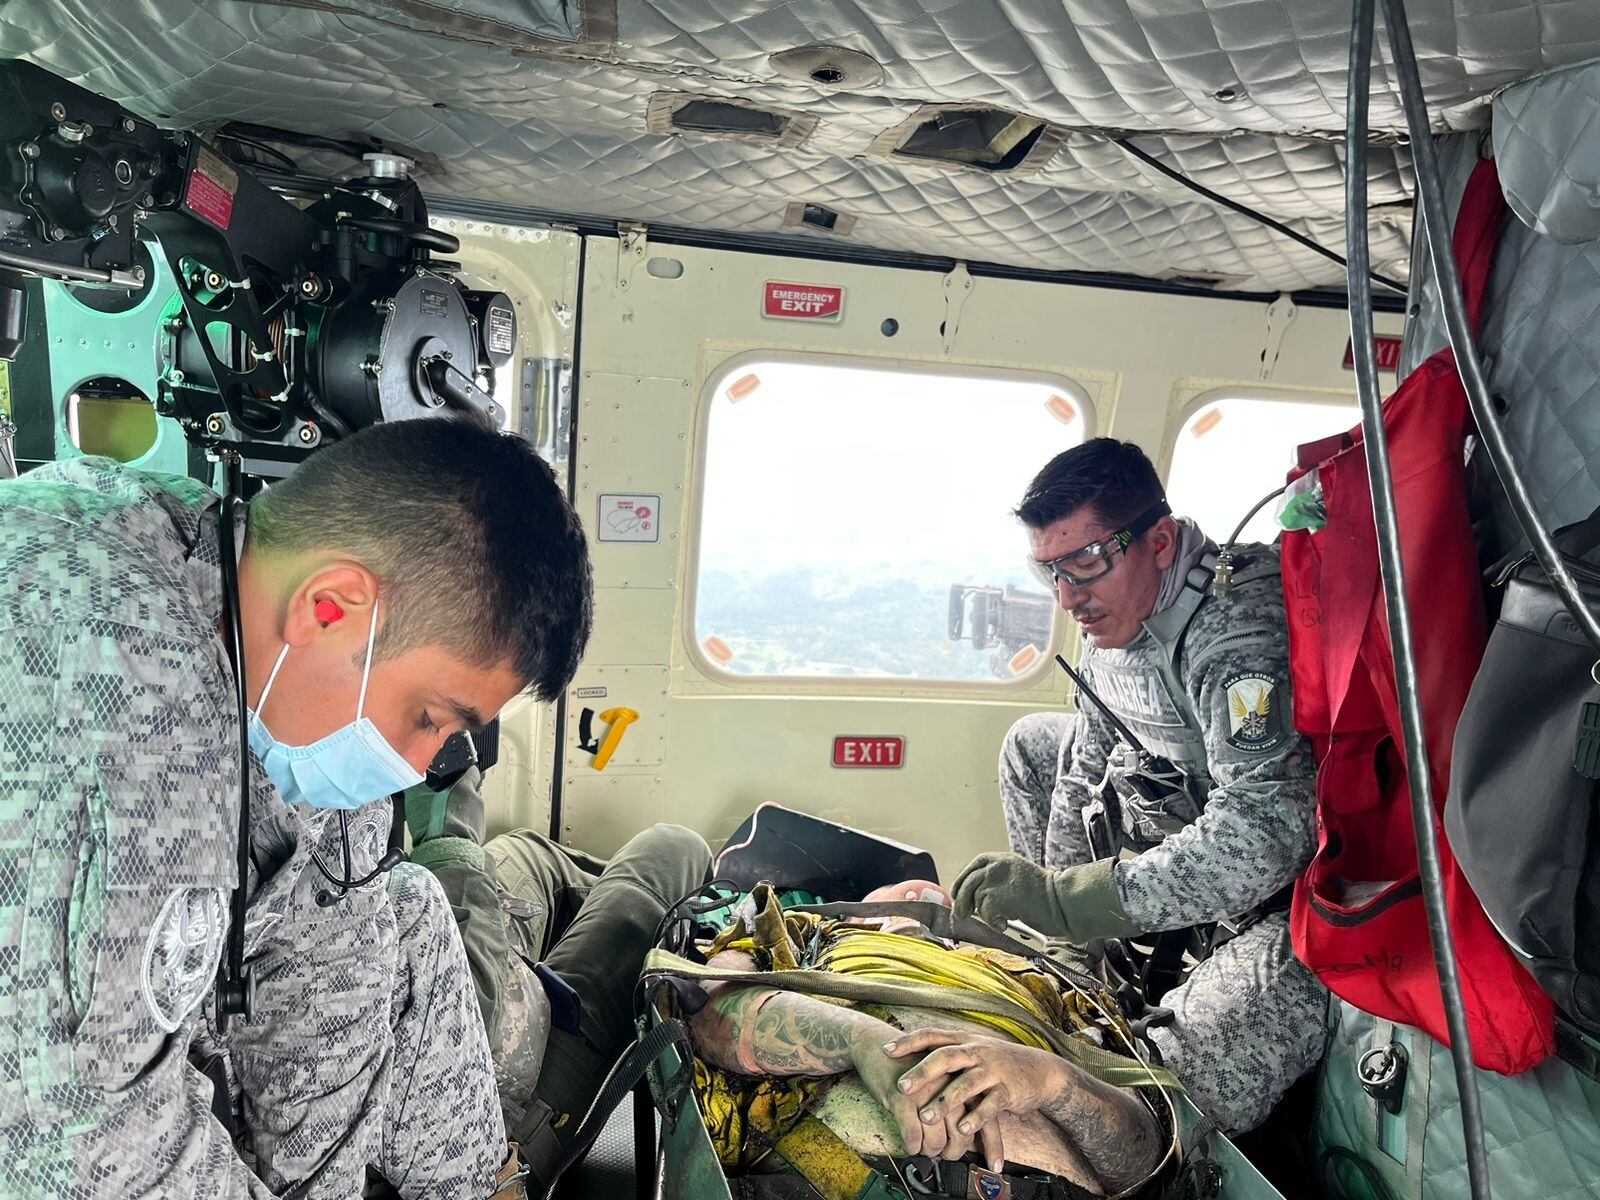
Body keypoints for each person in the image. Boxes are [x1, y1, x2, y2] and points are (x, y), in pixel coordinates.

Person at [0, 417, 590, 1198]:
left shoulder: (238, 594)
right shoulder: (121, 687)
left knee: (405, 907)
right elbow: (82, 1143)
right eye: (428, 718)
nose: (417, 765)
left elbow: (332, 958)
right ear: (330, 608)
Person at [955, 438, 1327, 1133]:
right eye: (1049, 573)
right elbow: (1081, 773)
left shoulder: (1235, 641)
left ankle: (1150, 1121)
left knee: (1162, 1083)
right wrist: (1060, 937)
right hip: (1176, 821)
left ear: (1159, 542)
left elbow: (1267, 838)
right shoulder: (1114, 624)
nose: (1068, 598)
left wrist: (1076, 900)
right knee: (1031, 743)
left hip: (1283, 894)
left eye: (1086, 563)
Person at [683, 885, 1166, 1198]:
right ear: (864, 914)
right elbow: (707, 1012)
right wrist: (863, 1041)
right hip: (841, 1176)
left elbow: (1145, 1167)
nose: (921, 890)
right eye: (897, 891)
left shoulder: (1041, 983)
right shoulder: (812, 934)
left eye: (940, 895)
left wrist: (1054, 1080)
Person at [403, 764, 711, 1183]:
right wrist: (444, 800)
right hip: (488, 1125)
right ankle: (613, 911)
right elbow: (451, 1026)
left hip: (458, 998)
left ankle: (597, 909)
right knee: (675, 847)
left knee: (524, 851)